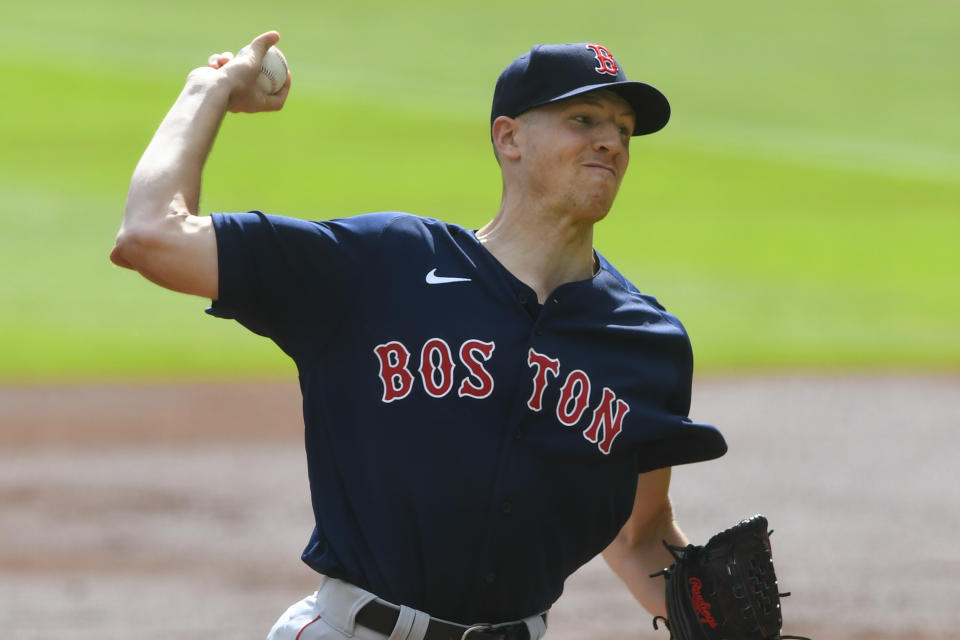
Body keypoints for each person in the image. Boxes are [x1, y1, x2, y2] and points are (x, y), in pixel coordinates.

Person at [111, 31, 727, 640]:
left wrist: (715, 619)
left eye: (622, 128)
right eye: (583, 118)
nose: (609, 142)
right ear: (508, 137)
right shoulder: (382, 264)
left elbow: (638, 537)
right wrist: (210, 88)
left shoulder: (647, 342)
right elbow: (150, 237)